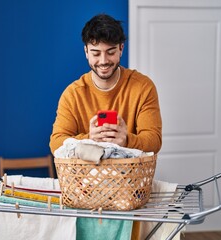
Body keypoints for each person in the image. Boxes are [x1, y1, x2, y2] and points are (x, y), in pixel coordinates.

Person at [49, 13, 162, 155]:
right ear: (86, 52)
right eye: (96, 53)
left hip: (132, 175)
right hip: (87, 177)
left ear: (121, 48)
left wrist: (126, 140)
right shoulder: (73, 94)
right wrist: (89, 139)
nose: (103, 61)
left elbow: (154, 141)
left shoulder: (143, 87)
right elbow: (56, 144)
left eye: (110, 52)